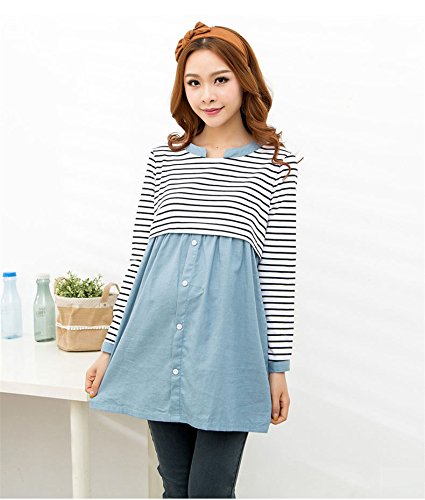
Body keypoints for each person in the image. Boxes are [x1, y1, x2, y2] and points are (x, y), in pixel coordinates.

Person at [85, 20, 304, 498]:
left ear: (245, 80)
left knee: (210, 490)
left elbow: (277, 275)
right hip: (155, 345)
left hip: (230, 356)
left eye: (220, 79)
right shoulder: (164, 159)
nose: (207, 95)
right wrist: (109, 348)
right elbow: (140, 263)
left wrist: (277, 367)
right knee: (176, 485)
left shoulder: (274, 165)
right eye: (194, 82)